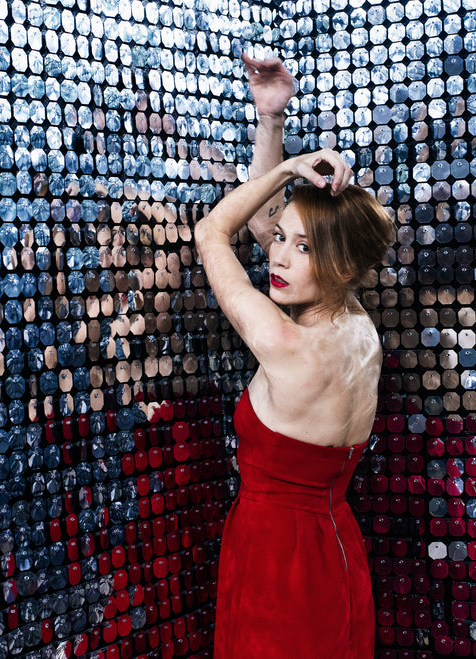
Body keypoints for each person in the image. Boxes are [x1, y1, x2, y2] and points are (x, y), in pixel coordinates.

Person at [195, 53, 395, 658]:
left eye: (300, 248)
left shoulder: (288, 346)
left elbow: (213, 231)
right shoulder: (358, 329)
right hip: (334, 553)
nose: (277, 256)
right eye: (283, 239)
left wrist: (285, 169)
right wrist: (270, 120)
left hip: (276, 566)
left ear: (338, 263)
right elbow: (265, 225)